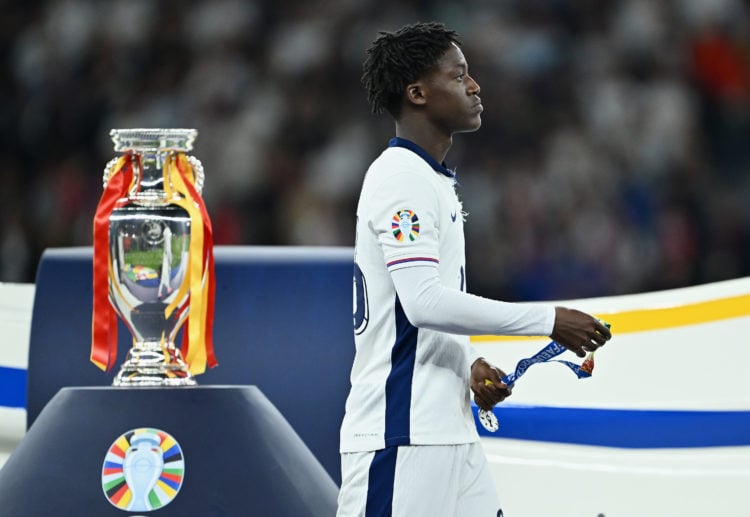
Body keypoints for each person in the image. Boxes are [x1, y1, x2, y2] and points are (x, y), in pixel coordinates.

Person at [338, 21, 612, 517]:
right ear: (417, 93)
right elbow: (422, 303)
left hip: (449, 434)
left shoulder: (431, 178)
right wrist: (549, 321)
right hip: (401, 434)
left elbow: (418, 309)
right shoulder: (400, 178)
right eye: (458, 75)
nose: (474, 86)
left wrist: (467, 365)